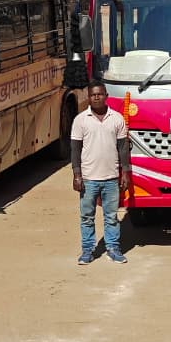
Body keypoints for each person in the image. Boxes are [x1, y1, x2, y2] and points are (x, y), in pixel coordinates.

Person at [71, 80, 131, 265]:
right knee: (87, 217)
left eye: (100, 94)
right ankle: (88, 251)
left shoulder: (117, 118)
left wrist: (125, 173)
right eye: (93, 94)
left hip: (111, 178)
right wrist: (77, 174)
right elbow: (75, 149)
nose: (96, 97)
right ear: (88, 98)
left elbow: (123, 149)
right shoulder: (80, 120)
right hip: (88, 179)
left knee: (111, 217)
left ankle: (113, 248)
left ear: (106, 96)